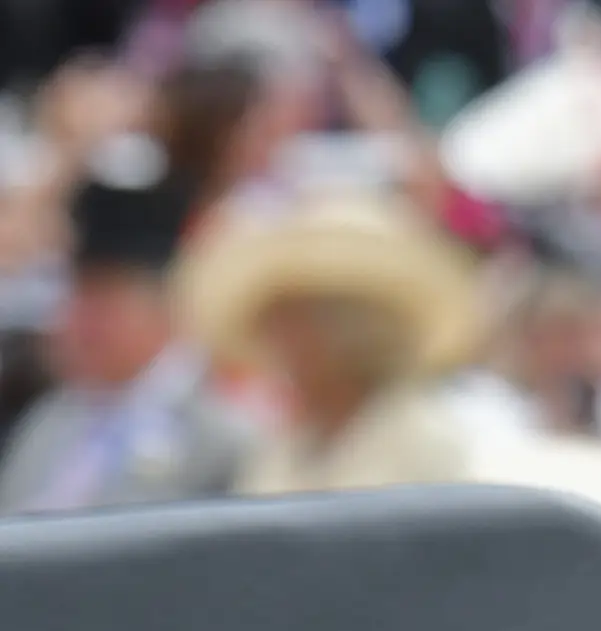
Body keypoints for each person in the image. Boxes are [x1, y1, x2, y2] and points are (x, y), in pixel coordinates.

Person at [177, 190, 482, 496]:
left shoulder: (426, 439)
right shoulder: (283, 446)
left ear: (348, 330)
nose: (279, 343)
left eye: (293, 322)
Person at [0, 158, 245, 514]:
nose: (78, 320)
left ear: (166, 303)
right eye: (76, 295)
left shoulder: (219, 437)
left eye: (104, 297)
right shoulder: (48, 420)